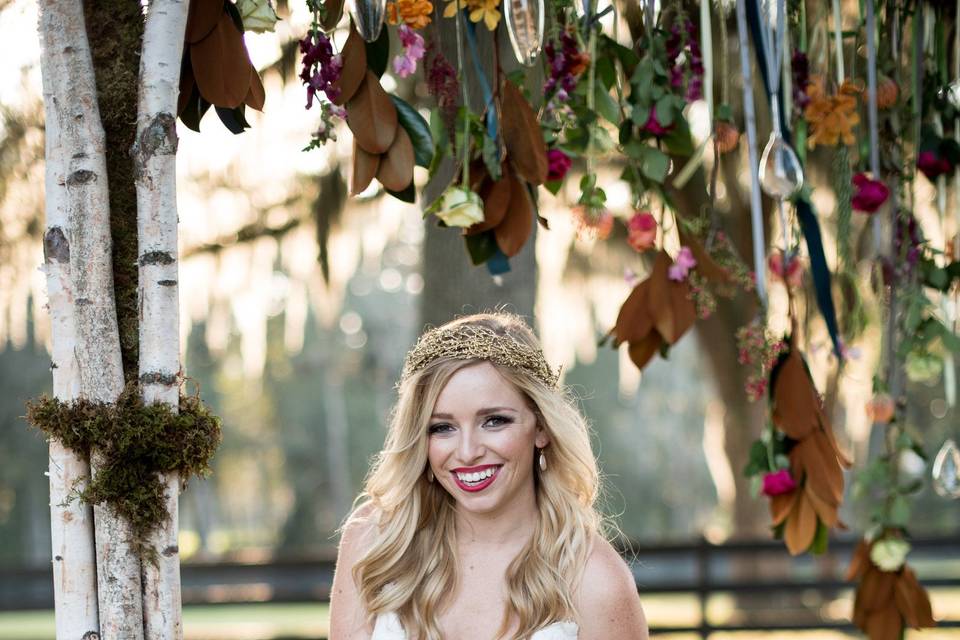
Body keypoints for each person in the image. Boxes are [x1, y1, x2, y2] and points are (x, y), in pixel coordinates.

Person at [330, 312, 648, 640]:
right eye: (442, 428)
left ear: (541, 426)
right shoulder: (375, 544)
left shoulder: (596, 580)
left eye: (494, 421)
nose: (467, 452)